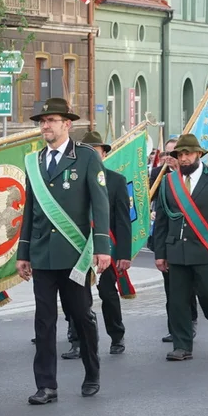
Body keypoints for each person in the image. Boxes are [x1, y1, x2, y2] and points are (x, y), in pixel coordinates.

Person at [16, 98, 111, 403]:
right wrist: (23, 252)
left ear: (67, 124)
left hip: (74, 255)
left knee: (81, 316)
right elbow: (30, 208)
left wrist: (102, 247)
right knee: (43, 322)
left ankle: (92, 372)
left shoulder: (84, 157)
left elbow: (100, 203)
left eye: (52, 120)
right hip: (43, 255)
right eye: (42, 121)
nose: (45, 126)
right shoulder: (34, 161)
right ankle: (46, 385)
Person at [152, 134, 208, 361]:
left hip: (206, 251)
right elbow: (161, 220)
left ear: (199, 154)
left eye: (188, 153)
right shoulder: (169, 183)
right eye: (180, 154)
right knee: (178, 301)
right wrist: (160, 253)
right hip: (176, 251)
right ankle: (182, 345)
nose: (184, 158)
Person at [61, 131, 132, 358]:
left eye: (96, 150)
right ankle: (77, 341)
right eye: (87, 150)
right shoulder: (69, 179)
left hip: (105, 248)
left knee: (108, 294)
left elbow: (123, 221)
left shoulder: (117, 181)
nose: (92, 154)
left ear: (103, 153)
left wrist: (123, 254)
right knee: (76, 297)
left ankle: (116, 335)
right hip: (78, 248)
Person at [150, 138, 198, 341]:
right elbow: (154, 204)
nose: (170, 158)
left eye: (174, 154)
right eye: (167, 154)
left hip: (195, 242)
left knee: (192, 288)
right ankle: (175, 328)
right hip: (170, 241)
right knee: (172, 288)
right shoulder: (159, 175)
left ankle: (191, 319)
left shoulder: (194, 178)